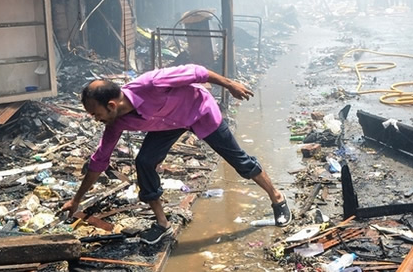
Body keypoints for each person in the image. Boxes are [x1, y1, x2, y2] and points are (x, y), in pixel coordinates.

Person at [62, 65, 291, 244]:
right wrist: (76, 200)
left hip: (199, 112)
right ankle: (163, 225)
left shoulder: (151, 83)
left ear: (111, 105)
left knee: (238, 161)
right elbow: (99, 161)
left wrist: (229, 84)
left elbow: (197, 72)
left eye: (95, 114)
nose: (96, 119)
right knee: (144, 161)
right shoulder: (116, 122)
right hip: (168, 125)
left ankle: (277, 198)